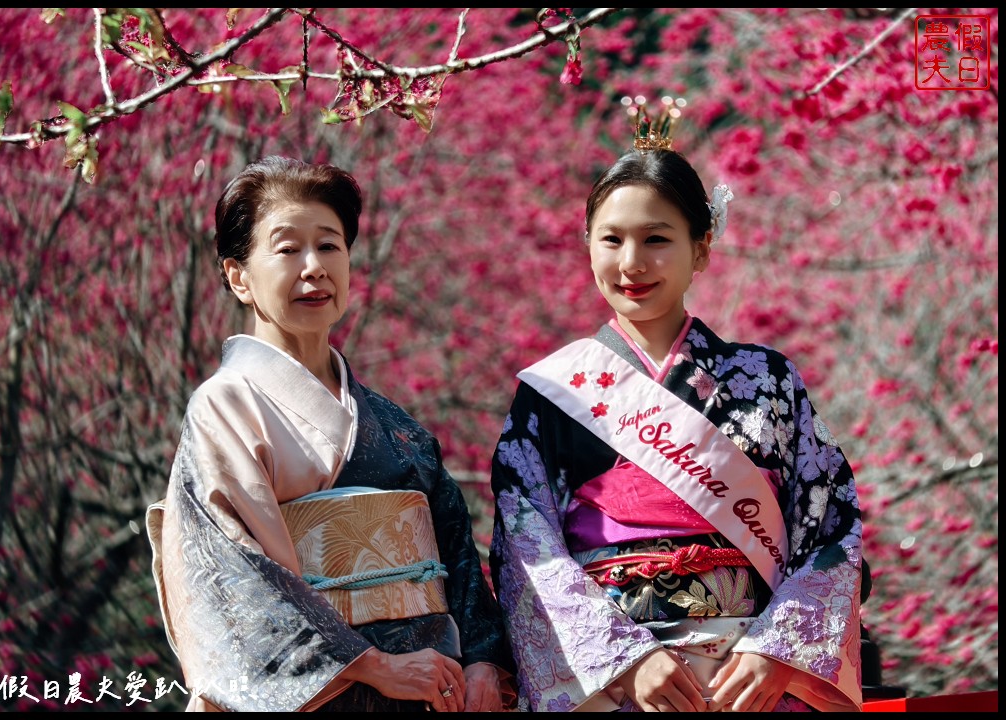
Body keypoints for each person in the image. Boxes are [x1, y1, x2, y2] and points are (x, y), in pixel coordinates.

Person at [488, 103, 864, 712]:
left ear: (701, 248)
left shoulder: (767, 379)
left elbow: (832, 527)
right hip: (616, 685)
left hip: (751, 680)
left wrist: (776, 651)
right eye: (611, 239)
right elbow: (525, 544)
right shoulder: (553, 394)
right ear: (588, 248)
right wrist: (623, 660)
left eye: (657, 239)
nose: (631, 263)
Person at [146, 156, 514, 712]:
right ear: (238, 276)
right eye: (287, 248)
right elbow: (234, 580)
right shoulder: (224, 407)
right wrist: (375, 666)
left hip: (433, 688)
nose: (314, 267)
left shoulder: (397, 425)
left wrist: (485, 659)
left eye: (329, 246)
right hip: (329, 695)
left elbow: (457, 556)